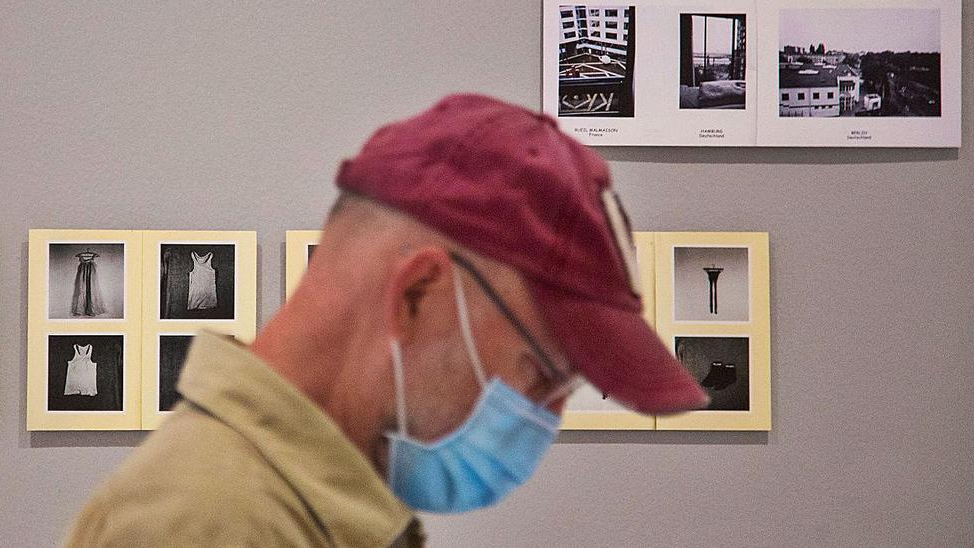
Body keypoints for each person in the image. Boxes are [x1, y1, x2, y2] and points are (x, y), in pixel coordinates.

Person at [63, 93, 709, 547]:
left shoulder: (304, 508)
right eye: (541, 375)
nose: (544, 420)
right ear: (417, 296)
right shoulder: (208, 524)